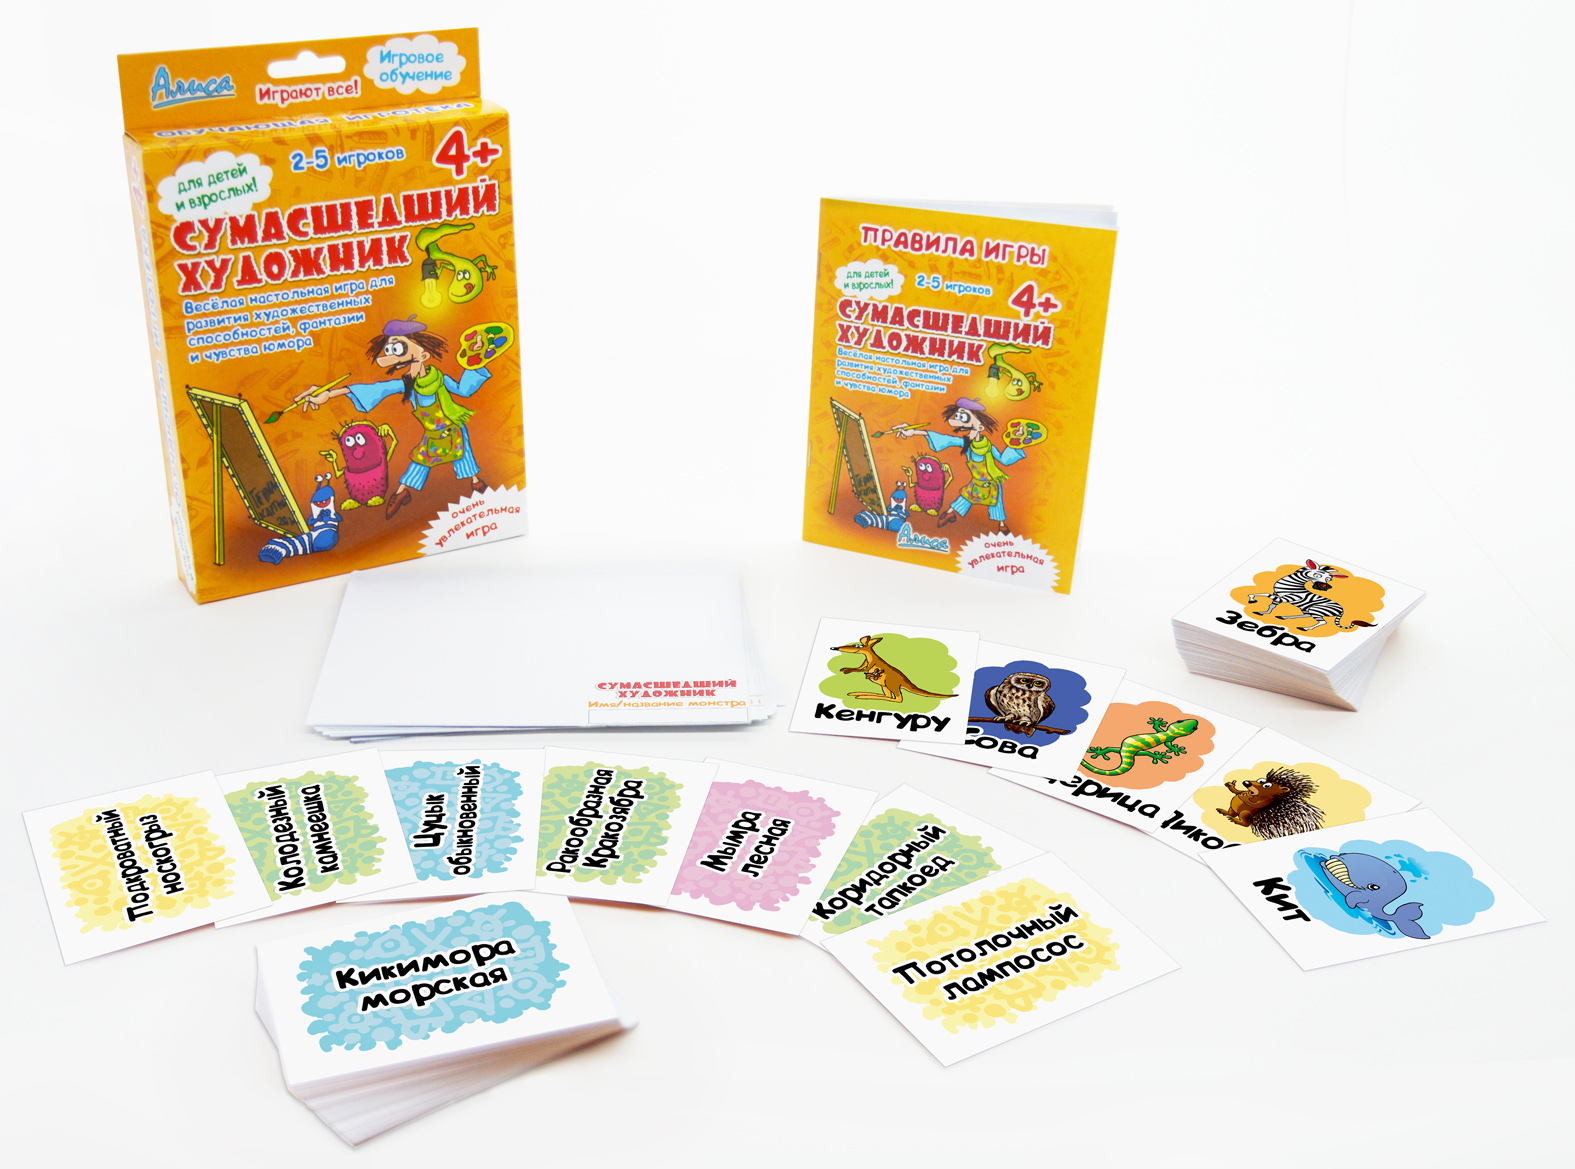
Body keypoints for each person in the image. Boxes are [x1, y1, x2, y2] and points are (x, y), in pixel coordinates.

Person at [294, 316, 489, 519]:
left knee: (464, 455)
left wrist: (476, 359)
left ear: (423, 354)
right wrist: (330, 393)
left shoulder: (440, 379)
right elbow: (377, 389)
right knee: (421, 461)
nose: (391, 354)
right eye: (390, 349)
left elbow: (464, 390)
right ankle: (402, 493)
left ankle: (477, 483)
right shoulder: (407, 385)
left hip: (452, 427)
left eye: (399, 348)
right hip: (432, 433)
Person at [894, 398, 1027, 534]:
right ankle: (950, 513)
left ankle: (1002, 525)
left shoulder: (989, 447)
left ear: (981, 427)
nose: (959, 420)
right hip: (977, 481)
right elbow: (948, 439)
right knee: (966, 497)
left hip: (992, 481)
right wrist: (915, 431)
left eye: (964, 417)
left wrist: (1017, 442)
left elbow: (1004, 459)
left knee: (996, 503)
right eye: (959, 416)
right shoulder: (967, 444)